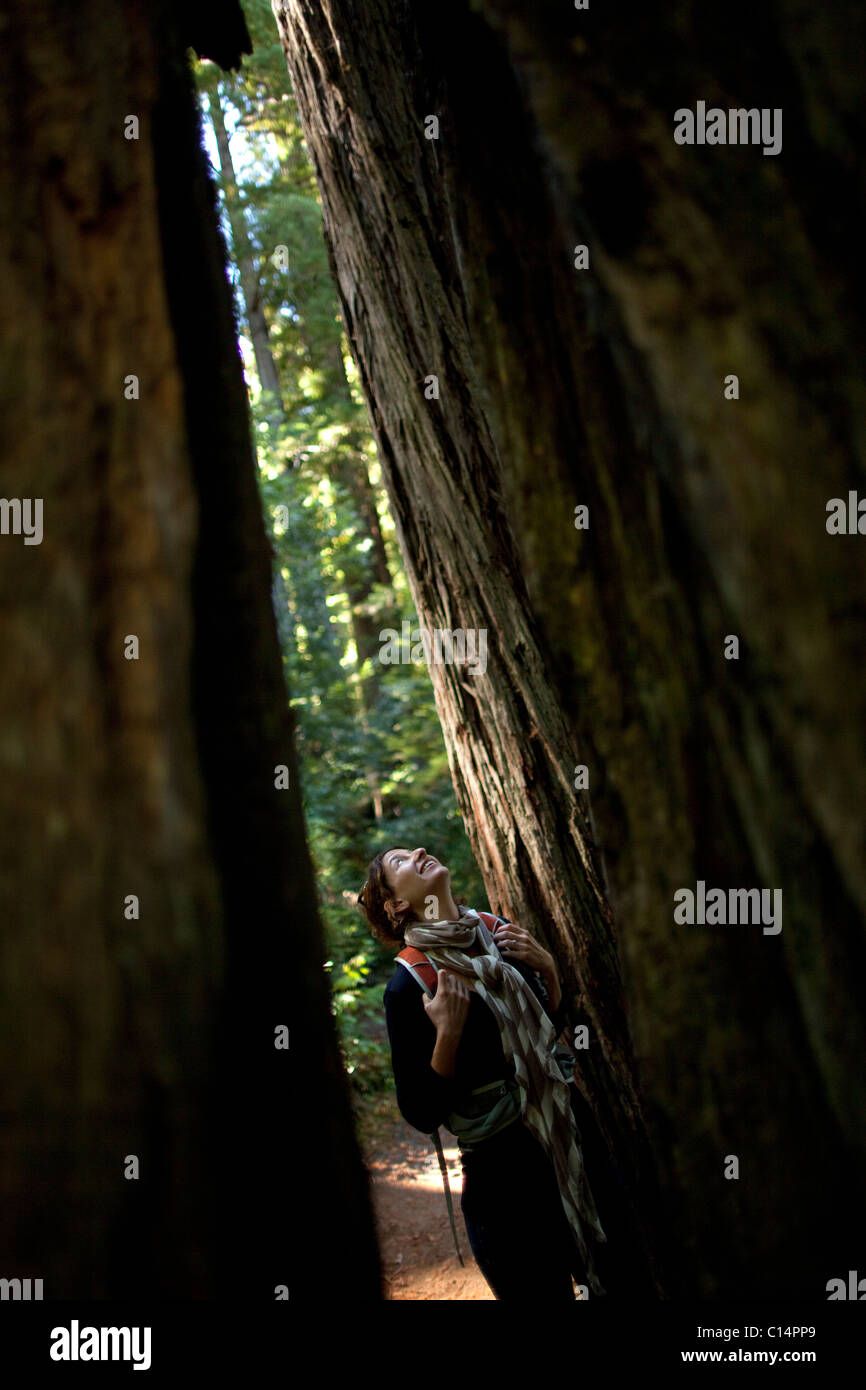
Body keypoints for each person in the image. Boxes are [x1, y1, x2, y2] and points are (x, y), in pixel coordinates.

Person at [358, 843, 611, 1300]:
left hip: (570, 1140)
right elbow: (420, 1111)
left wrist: (550, 973)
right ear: (396, 904)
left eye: (416, 849)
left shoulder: (498, 936)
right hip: (504, 1178)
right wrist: (447, 1035)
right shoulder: (409, 985)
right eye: (399, 862)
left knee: (620, 1276)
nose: (418, 851)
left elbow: (549, 1031)